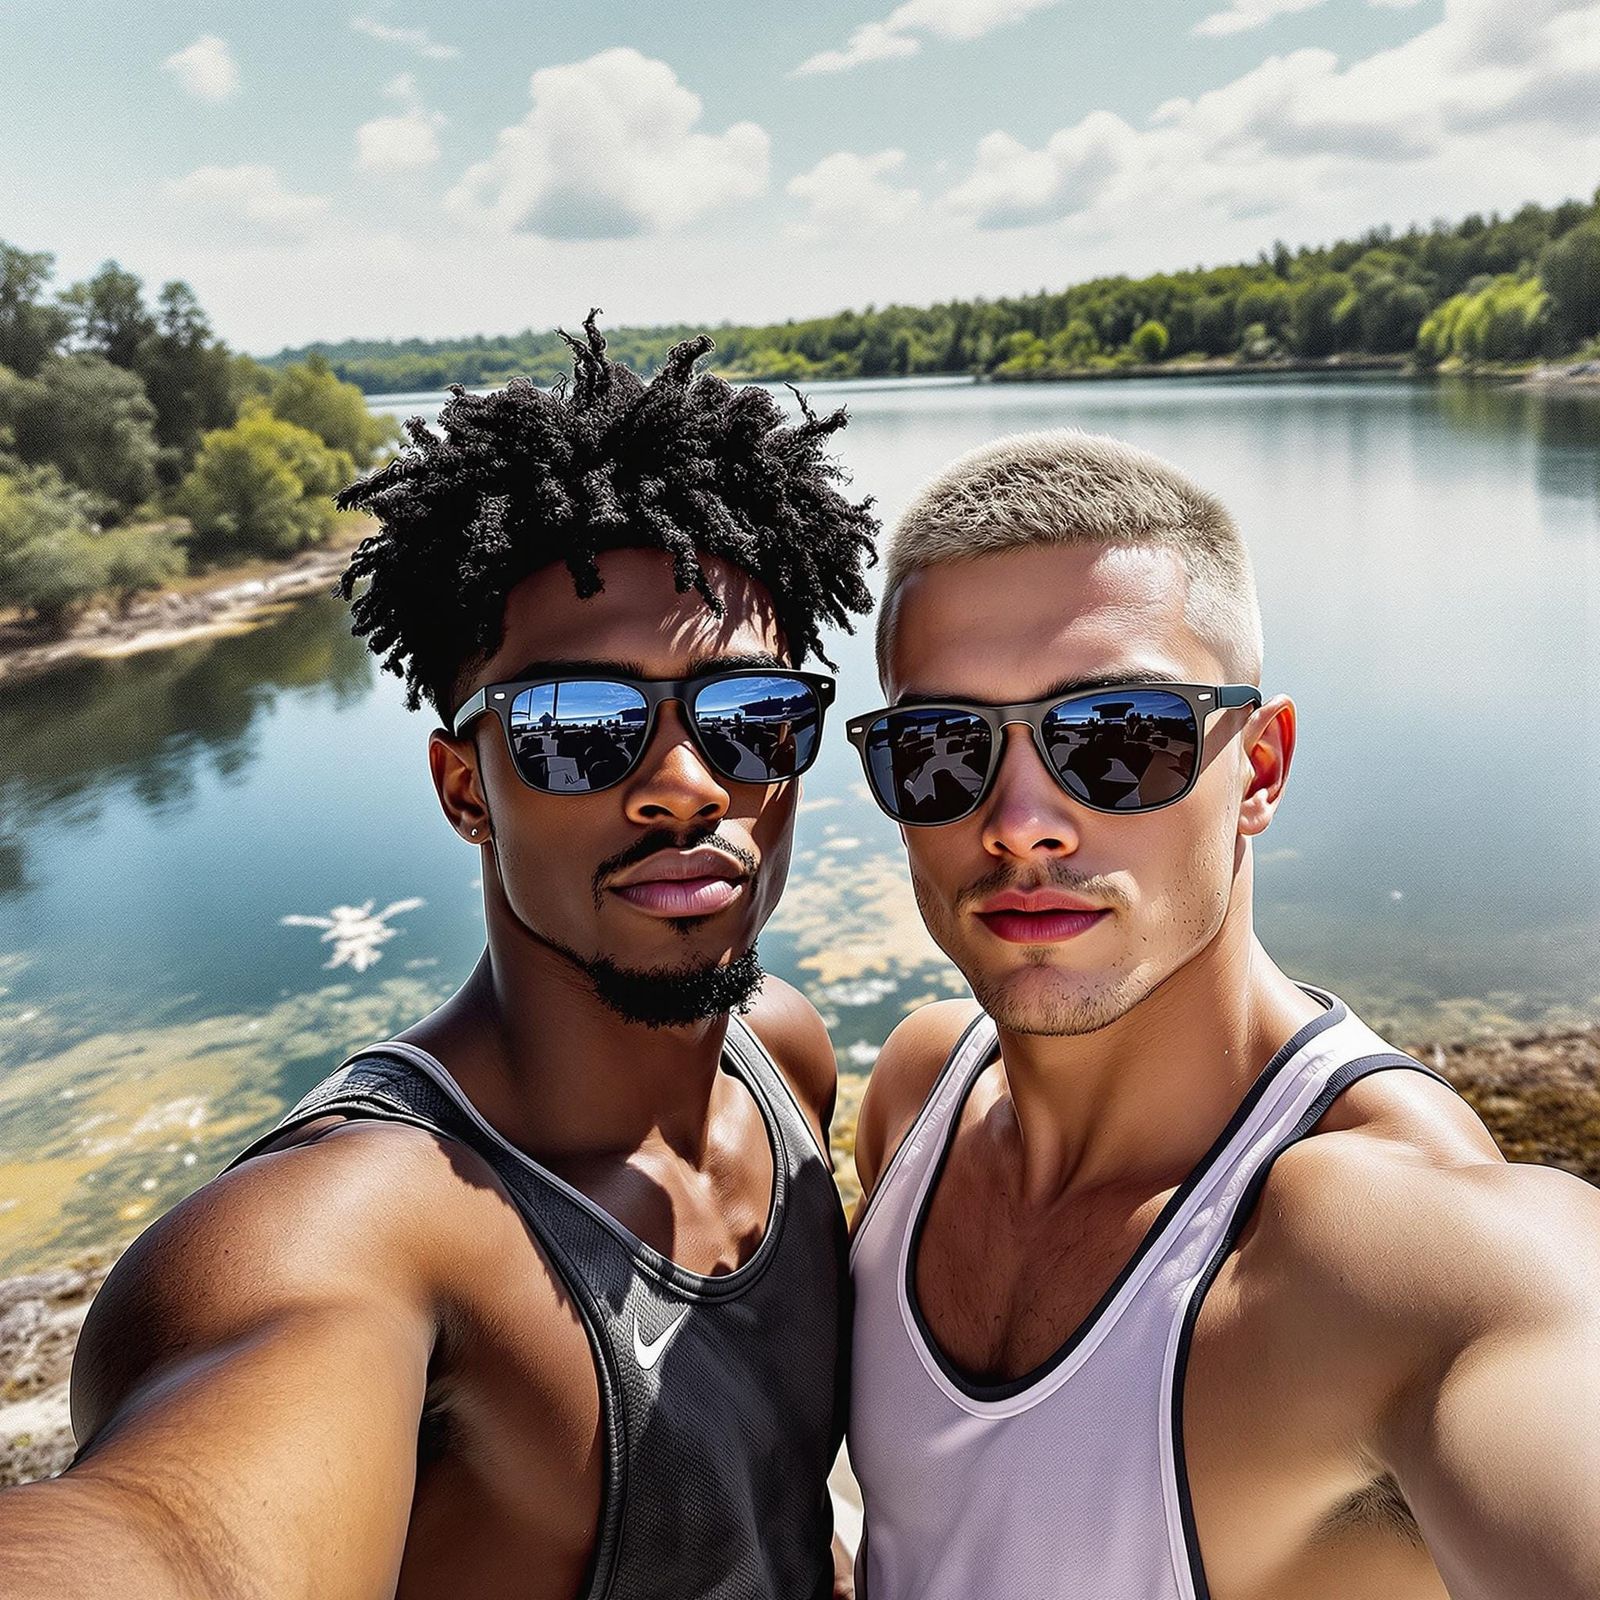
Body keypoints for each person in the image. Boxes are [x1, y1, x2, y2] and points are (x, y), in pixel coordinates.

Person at [0, 318, 878, 1599]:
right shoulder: (364, 1228)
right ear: (464, 788)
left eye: (751, 719)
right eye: (581, 727)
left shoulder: (779, 1062)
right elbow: (173, 1536)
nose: (686, 788)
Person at [844, 429, 1600, 1599]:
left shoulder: (1390, 1243)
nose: (1021, 821)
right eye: (941, 748)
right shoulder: (917, 1098)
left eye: (1116, 738)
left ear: (1258, 767)